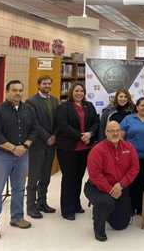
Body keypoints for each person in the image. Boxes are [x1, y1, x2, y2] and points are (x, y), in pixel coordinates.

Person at [0, 80, 40, 240]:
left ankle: (17, 217)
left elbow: (35, 129)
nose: (18, 93)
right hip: (1, 156)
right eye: (14, 90)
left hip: (22, 156)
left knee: (19, 189)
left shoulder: (28, 109)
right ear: (6, 92)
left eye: (20, 90)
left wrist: (25, 146)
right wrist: (14, 148)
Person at [84, 121, 140, 242]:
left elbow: (134, 168)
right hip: (97, 188)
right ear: (106, 132)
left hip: (120, 187)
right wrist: (110, 190)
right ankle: (98, 228)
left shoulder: (129, 147)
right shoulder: (97, 150)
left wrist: (121, 184)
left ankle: (108, 212)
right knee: (105, 202)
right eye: (112, 131)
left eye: (117, 131)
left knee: (121, 225)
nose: (115, 134)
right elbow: (95, 175)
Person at [55, 82, 99, 221]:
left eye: (81, 91)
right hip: (68, 148)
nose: (79, 93)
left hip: (85, 148)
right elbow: (63, 125)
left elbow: (96, 122)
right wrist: (81, 135)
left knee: (79, 177)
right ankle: (67, 209)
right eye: (76, 91)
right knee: (69, 179)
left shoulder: (89, 106)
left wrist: (90, 134)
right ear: (71, 92)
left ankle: (76, 204)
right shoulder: (64, 107)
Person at [25, 75, 58, 219]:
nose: (47, 85)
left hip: (51, 144)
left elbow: (58, 121)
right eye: (44, 83)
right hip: (38, 144)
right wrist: (47, 137)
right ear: (38, 85)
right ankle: (31, 207)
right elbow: (33, 123)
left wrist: (54, 136)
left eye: (49, 83)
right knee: (34, 176)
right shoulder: (31, 101)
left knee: (46, 176)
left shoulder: (55, 100)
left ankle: (42, 202)